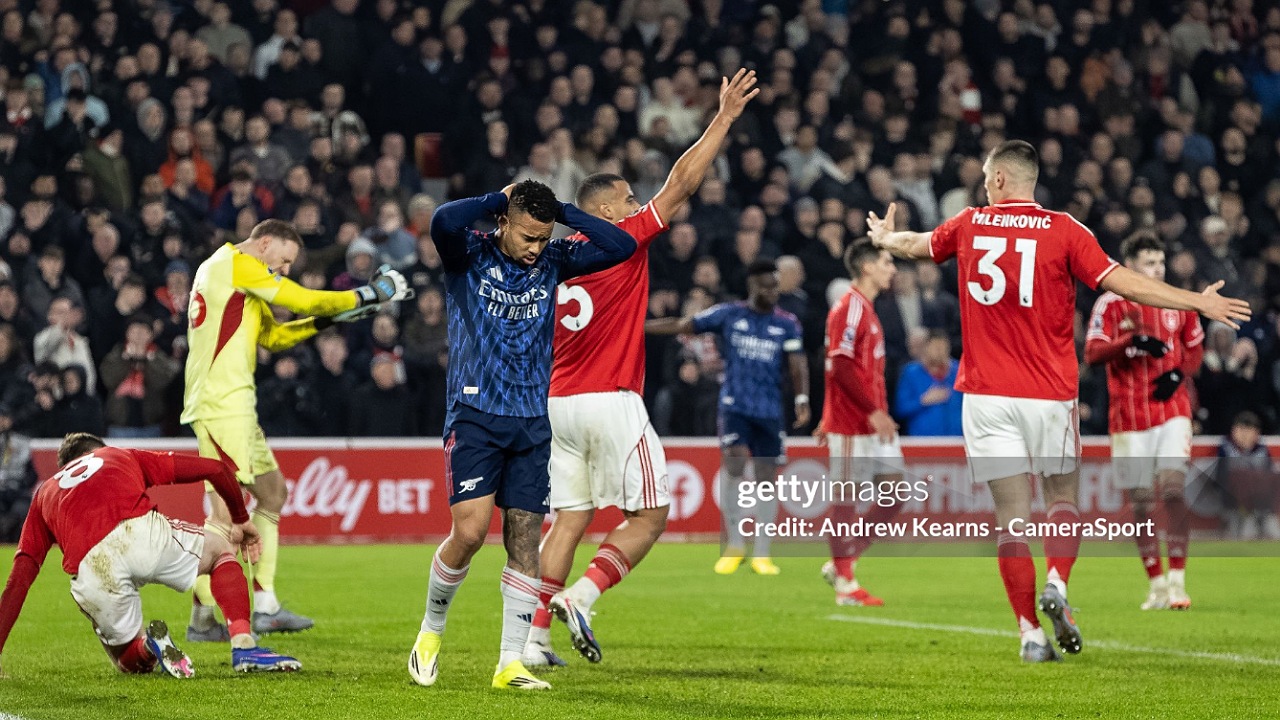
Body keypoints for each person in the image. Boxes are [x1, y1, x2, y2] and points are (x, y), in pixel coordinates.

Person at [868, 139, 1249, 662]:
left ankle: (1028, 635)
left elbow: (917, 244)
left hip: (984, 396)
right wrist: (1196, 302)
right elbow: (1128, 285)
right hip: (1047, 394)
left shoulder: (970, 223)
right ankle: (1058, 584)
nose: (982, 184)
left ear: (1001, 180)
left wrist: (886, 239)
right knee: (1063, 500)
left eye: (985, 176)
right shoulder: (1067, 230)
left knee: (1011, 520)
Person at [524, 69, 759, 669]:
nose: (637, 204)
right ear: (603, 208)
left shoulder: (548, 260)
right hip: (610, 396)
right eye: (628, 198)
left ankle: (533, 637)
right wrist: (723, 118)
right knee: (650, 515)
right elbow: (683, 183)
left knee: (569, 521)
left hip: (557, 402)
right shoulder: (621, 236)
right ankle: (583, 595)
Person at [407, 179, 635, 691]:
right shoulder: (468, 253)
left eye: (542, 237)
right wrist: (496, 199)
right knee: (468, 533)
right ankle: (430, 631)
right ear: (504, 223)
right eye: (528, 236)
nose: (535, 248)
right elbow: (443, 217)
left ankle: (510, 663)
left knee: (526, 538)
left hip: (532, 419)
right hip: (475, 412)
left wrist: (567, 213)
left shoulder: (554, 259)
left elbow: (621, 246)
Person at [183, 219, 410, 641]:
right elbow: (300, 298)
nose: (284, 269)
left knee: (272, 494)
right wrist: (367, 294)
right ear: (265, 243)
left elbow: (274, 338)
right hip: (220, 405)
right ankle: (200, 615)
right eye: (284, 260)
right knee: (224, 520)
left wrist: (331, 318)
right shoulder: (235, 264)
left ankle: (264, 603)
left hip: (236, 407)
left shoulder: (237, 278)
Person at [0, 433, 301, 678]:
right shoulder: (118, 455)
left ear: (64, 466)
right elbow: (216, 469)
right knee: (220, 550)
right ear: (99, 450)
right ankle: (244, 645)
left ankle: (148, 646)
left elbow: (19, 580)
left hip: (91, 567)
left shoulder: (45, 494)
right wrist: (239, 517)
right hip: (138, 534)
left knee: (128, 663)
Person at [647, 259, 810, 575]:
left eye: (776, 285)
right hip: (735, 406)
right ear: (753, 287)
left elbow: (797, 363)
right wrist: (638, 326)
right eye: (768, 285)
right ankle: (735, 544)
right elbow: (684, 324)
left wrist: (802, 398)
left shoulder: (787, 322)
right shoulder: (729, 314)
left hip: (769, 410)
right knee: (734, 465)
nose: (774, 291)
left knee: (766, 479)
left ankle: (762, 553)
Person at [1084, 234, 1204, 611]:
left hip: (1171, 411)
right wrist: (1130, 342)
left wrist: (1178, 374)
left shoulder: (1178, 302)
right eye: (1150, 262)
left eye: (1160, 261)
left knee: (1171, 491)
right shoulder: (1111, 302)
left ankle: (1177, 581)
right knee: (1139, 502)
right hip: (1128, 417)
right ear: (1131, 264)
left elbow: (1195, 351)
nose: (1158, 269)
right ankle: (1154, 582)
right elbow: (1092, 352)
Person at [813, 240, 905, 606]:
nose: (892, 269)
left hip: (871, 422)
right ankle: (846, 585)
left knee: (895, 493)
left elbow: (834, 364)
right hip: (855, 422)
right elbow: (842, 364)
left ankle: (844, 559)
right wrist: (870, 411)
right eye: (887, 262)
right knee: (846, 500)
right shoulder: (850, 307)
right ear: (867, 267)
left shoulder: (864, 308)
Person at [894, 330, 963, 436]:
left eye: (944, 348)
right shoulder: (911, 373)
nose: (940, 352)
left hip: (957, 439)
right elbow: (900, 409)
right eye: (936, 348)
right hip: (922, 441)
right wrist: (923, 401)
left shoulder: (958, 371)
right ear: (925, 348)